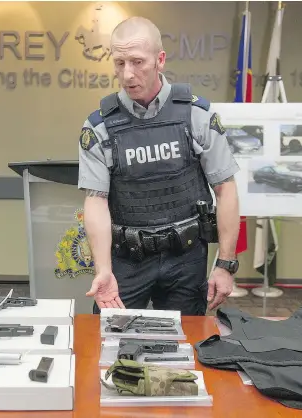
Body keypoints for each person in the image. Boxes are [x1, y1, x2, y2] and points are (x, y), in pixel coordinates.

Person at [77, 17, 241, 316]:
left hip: (186, 258)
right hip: (126, 261)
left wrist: (225, 263)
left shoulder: (196, 116)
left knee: (186, 350)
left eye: (138, 61)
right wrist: (103, 269)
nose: (128, 74)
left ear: (160, 60)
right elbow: (95, 200)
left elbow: (225, 188)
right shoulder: (99, 127)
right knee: (111, 348)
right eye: (119, 62)